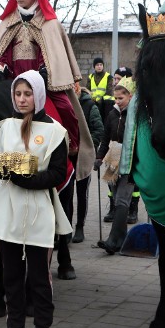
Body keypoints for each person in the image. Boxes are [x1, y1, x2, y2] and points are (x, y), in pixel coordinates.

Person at [0, 0, 95, 187]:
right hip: (13, 83)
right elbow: (1, 52)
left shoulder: (50, 24)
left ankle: (72, 146)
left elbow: (48, 53)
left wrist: (43, 70)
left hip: (44, 82)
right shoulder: (6, 23)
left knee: (67, 109)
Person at [0, 70, 72, 328]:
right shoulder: (4, 126)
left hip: (37, 212)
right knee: (11, 275)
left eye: (27, 93)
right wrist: (12, 169)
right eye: (18, 94)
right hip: (7, 211)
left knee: (39, 277)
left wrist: (25, 176)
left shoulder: (56, 132)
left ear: (38, 94)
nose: (22, 99)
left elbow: (58, 173)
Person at [93, 77, 136, 253]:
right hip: (114, 155)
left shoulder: (135, 115)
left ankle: (113, 240)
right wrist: (99, 157)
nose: (118, 101)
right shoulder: (112, 114)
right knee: (115, 194)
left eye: (121, 98)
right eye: (116, 98)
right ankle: (122, 238)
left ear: (130, 96)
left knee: (122, 199)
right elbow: (105, 138)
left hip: (129, 157)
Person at [71, 81, 104, 243]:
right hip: (67, 156)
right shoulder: (64, 103)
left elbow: (99, 129)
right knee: (66, 194)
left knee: (82, 193)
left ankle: (79, 227)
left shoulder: (90, 105)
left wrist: (87, 146)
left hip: (83, 155)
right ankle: (65, 228)